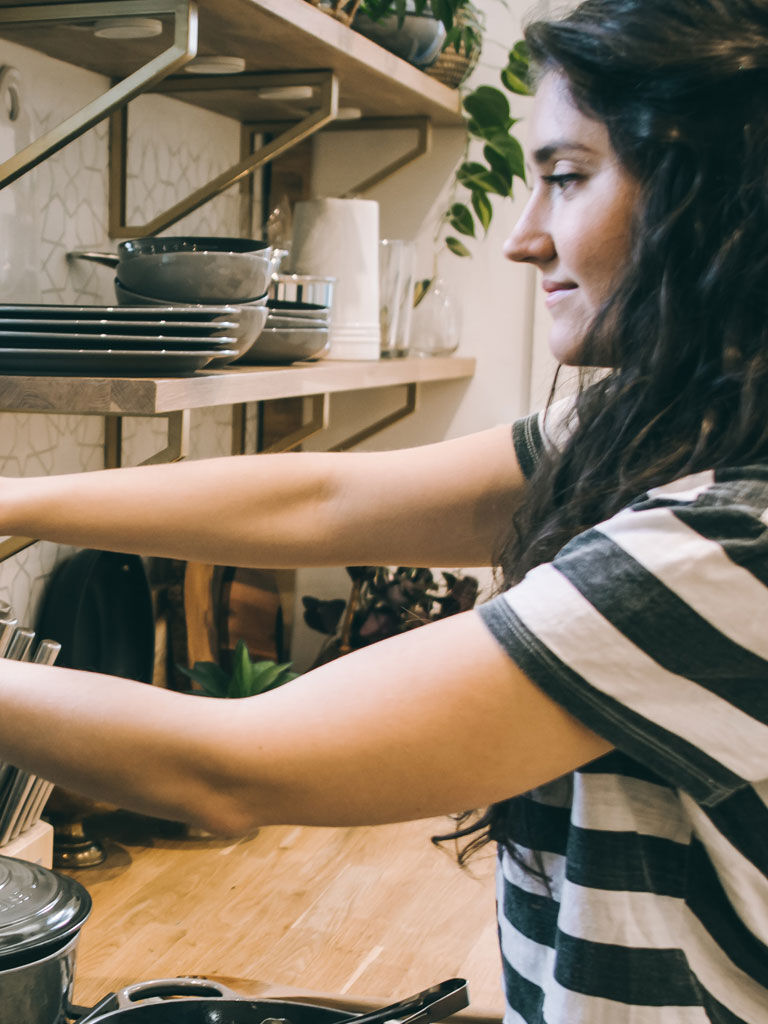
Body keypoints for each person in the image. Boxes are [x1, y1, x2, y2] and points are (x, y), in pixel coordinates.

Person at [0, 0, 767, 1019]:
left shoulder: (725, 539)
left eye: (568, 177)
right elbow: (329, 496)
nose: (523, 239)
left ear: (724, 194)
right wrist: (17, 499)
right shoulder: (669, 427)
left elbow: (231, 763)